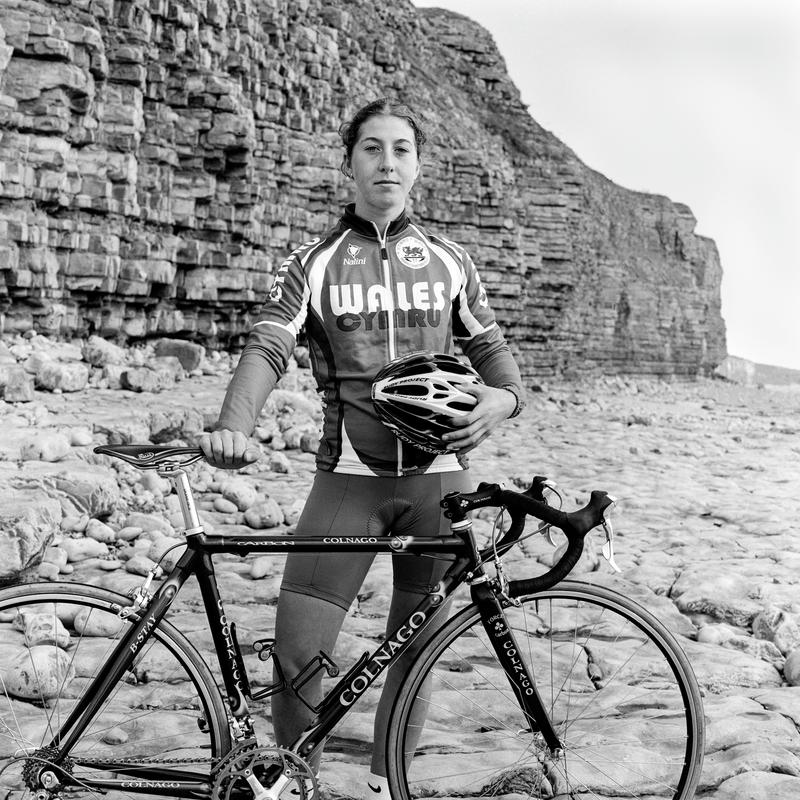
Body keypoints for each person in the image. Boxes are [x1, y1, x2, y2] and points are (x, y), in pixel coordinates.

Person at [200, 97, 525, 798]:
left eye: (401, 149)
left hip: (442, 485)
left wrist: (501, 400)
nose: (387, 162)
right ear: (349, 163)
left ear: (419, 165)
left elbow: (497, 358)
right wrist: (236, 422)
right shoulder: (313, 263)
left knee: (418, 653)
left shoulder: (450, 262)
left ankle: (388, 786)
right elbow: (270, 344)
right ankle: (294, 786)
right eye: (372, 148)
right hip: (347, 480)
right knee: (296, 655)